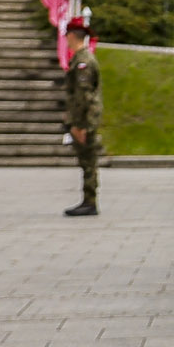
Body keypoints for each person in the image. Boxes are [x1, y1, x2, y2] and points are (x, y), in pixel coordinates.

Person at [63, 17, 102, 216]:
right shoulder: (82, 59)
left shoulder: (82, 62)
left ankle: (90, 201)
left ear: (71, 36)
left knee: (88, 161)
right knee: (87, 161)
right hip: (85, 118)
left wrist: (79, 124)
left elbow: (83, 95)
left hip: (85, 119)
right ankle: (89, 200)